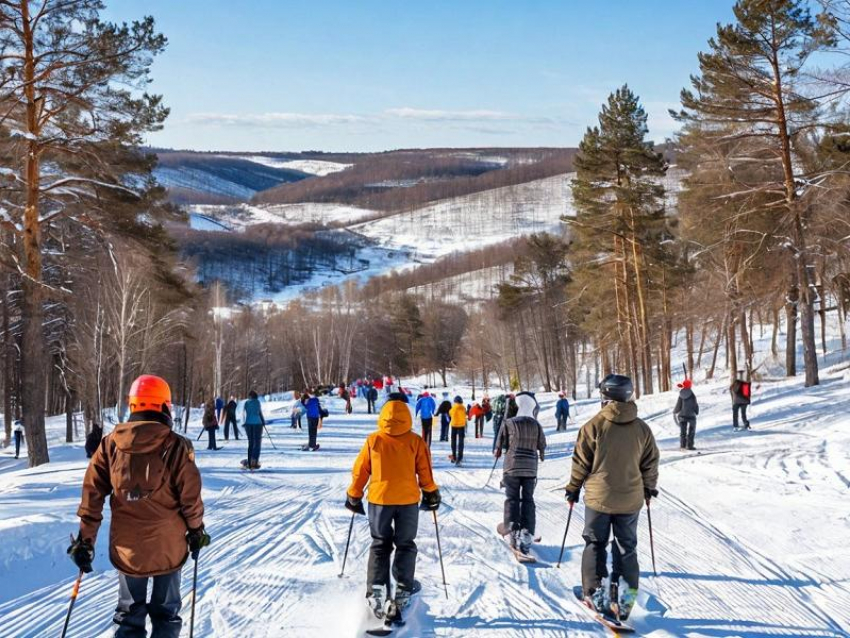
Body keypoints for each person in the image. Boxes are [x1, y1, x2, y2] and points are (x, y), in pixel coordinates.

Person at [68, 374, 209, 638]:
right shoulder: (176, 445)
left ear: (133, 406)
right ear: (165, 406)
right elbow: (191, 498)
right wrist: (196, 531)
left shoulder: (110, 444)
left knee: (129, 615)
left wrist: (85, 540)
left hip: (128, 549)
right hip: (168, 548)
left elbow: (92, 495)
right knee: (166, 613)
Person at [564, 373, 659, 621]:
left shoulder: (593, 426)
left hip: (599, 499)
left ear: (605, 397)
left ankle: (596, 593)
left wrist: (573, 487)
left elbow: (580, 463)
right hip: (630, 500)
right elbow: (650, 463)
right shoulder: (642, 429)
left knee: (595, 542)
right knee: (627, 547)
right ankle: (625, 599)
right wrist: (649, 488)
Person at [346, 395, 440, 624]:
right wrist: (430, 491)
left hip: (379, 500)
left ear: (384, 415)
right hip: (407, 502)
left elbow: (361, 471)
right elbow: (425, 471)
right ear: (407, 415)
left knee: (380, 543)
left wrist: (354, 494)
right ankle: (402, 590)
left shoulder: (374, 440)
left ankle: (377, 590)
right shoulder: (415, 441)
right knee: (405, 544)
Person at [494, 393, 546, 555]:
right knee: (528, 499)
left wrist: (499, 452)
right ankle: (527, 532)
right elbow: (542, 447)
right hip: (530, 469)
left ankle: (512, 530)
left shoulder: (508, 423)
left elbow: (498, 447)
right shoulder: (536, 425)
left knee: (512, 498)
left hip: (512, 467)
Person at [673, 379, 699, 450]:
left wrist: (675, 411)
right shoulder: (692, 395)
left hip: (682, 416)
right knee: (692, 430)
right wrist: (696, 411)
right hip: (691, 416)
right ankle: (690, 445)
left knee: (683, 432)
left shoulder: (681, 395)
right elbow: (695, 405)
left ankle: (683, 445)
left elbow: (678, 405)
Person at [243, 390, 265, 469]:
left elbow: (244, 413)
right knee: (257, 442)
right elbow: (259, 412)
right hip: (258, 424)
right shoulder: (258, 402)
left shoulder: (246, 403)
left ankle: (249, 462)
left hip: (248, 424)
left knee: (251, 442)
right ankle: (255, 460)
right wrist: (263, 421)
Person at [449, 396, 467, 464]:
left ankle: (454, 456)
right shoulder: (463, 408)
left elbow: (450, 413)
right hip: (461, 426)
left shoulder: (453, 407)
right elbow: (465, 414)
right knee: (461, 442)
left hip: (454, 425)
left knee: (453, 441)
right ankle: (460, 457)